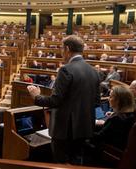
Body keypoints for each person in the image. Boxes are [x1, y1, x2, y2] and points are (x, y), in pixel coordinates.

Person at [27, 35, 100, 164]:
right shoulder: (93, 71)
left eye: (62, 48)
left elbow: (55, 101)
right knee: (76, 163)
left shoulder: (66, 69)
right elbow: (96, 102)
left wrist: (36, 96)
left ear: (67, 48)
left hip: (64, 131)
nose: (61, 52)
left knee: (61, 163)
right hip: (85, 129)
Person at [93, 85, 136, 151]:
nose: (108, 99)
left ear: (119, 101)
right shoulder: (131, 114)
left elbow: (99, 137)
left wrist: (85, 130)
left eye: (110, 96)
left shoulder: (116, 118)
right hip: (120, 146)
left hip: (108, 151)